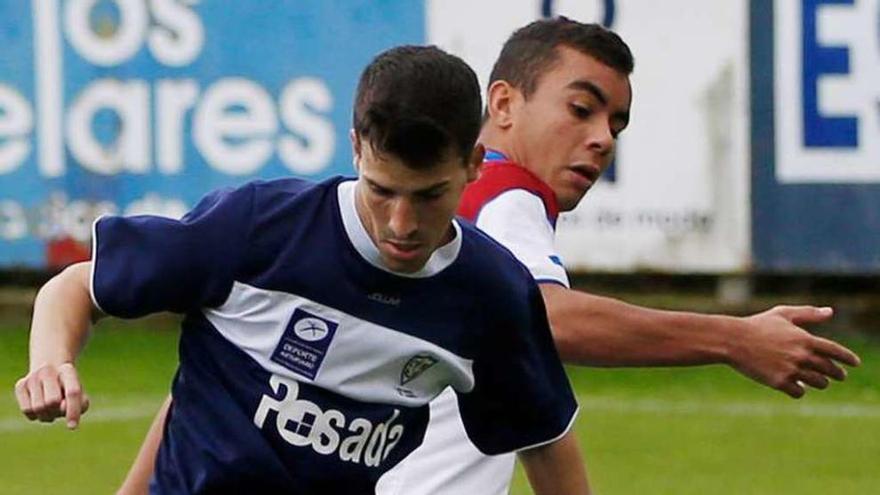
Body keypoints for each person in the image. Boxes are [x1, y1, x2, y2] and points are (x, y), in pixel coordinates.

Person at [119, 18, 864, 495]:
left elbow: (229, 373)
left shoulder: (424, 228)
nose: (603, 136)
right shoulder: (495, 214)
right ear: (501, 108)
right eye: (581, 108)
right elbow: (549, 320)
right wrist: (732, 337)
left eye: (617, 121)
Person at [13, 45, 590, 495]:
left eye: (429, 195)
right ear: (356, 149)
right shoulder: (260, 229)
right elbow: (75, 287)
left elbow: (541, 435)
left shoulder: (490, 294)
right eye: (382, 191)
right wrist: (50, 363)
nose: (401, 223)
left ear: (473, 165)